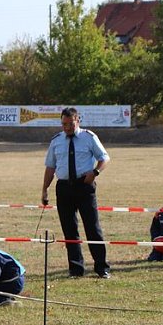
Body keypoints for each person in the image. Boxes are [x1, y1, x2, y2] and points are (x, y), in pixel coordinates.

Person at [41, 107, 111, 278]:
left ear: (77, 120)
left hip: (85, 187)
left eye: (70, 124)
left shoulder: (89, 137)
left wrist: (95, 173)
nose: (67, 128)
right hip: (64, 188)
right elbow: (50, 167)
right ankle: (75, 269)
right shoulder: (56, 141)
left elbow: (105, 158)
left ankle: (102, 268)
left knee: (92, 228)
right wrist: (44, 190)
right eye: (64, 124)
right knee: (69, 230)